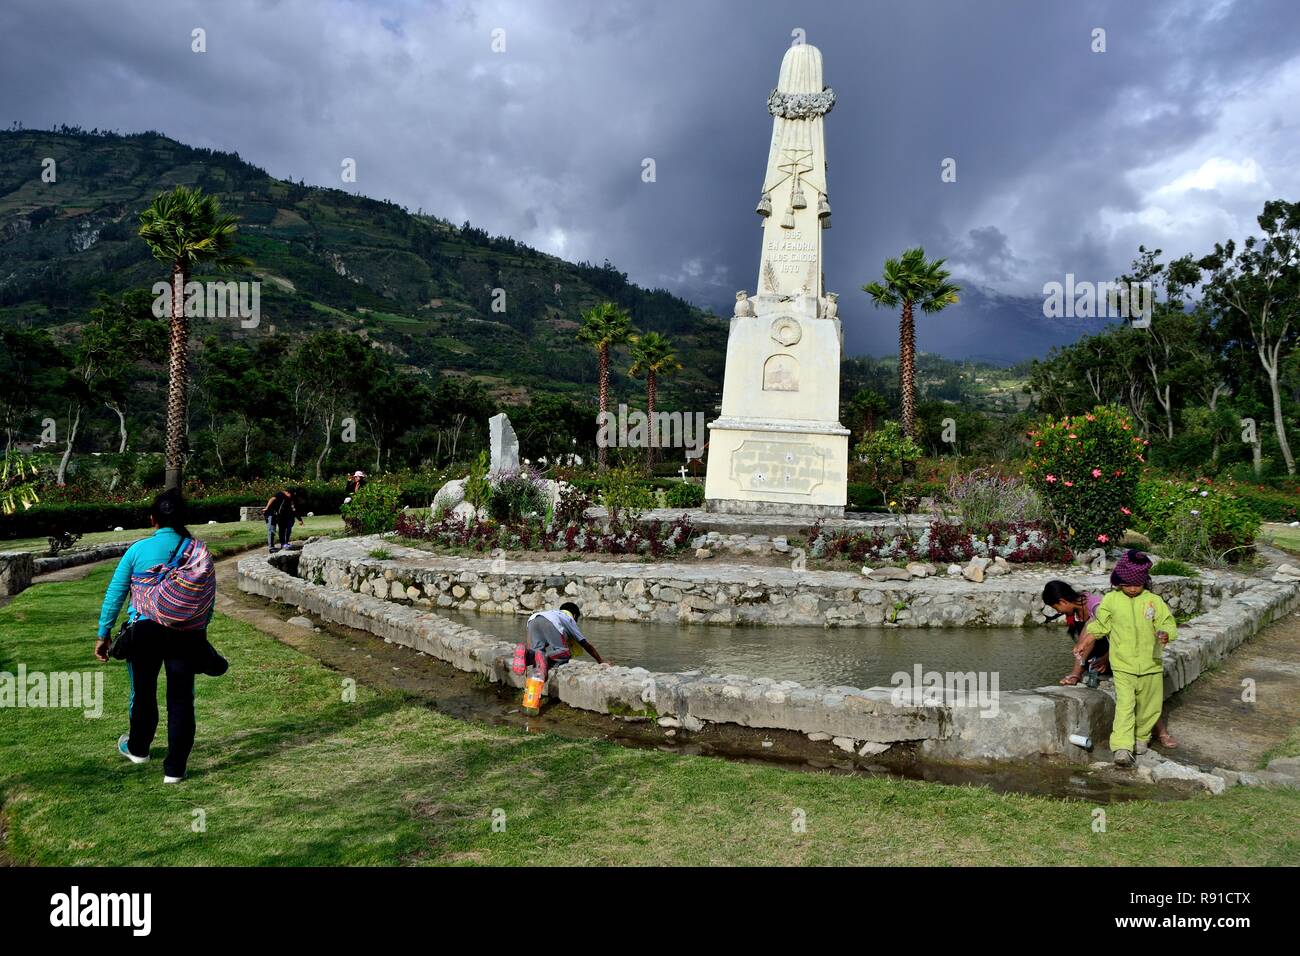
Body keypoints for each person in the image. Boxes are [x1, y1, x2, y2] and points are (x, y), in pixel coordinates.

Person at [94, 490, 223, 784]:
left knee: (142, 692)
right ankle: (175, 770)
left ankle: (138, 749)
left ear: (152, 519)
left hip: (144, 633)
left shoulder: (138, 550)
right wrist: (199, 633)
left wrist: (104, 634)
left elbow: (115, 594)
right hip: (186, 636)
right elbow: (208, 600)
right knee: (181, 700)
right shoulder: (199, 551)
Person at [1078, 550, 1179, 767]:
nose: (1132, 588)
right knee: (1125, 705)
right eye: (1127, 584)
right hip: (1123, 665)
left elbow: (1167, 623)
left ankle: (1142, 738)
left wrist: (1165, 633)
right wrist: (1087, 640)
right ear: (1118, 582)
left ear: (1144, 581)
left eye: (1137, 584)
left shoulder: (1154, 601)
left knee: (1149, 707)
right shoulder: (1111, 601)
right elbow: (1100, 624)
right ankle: (1122, 747)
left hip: (1151, 664)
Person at [516, 602, 607, 681]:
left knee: (536, 653)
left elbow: (532, 643)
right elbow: (585, 644)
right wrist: (600, 661)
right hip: (551, 622)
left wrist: (530, 651)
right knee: (565, 653)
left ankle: (526, 654)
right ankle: (544, 658)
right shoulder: (569, 618)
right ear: (575, 616)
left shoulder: (553, 612)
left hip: (533, 619)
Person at [1041, 580, 1106, 686]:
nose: (1058, 612)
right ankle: (1077, 673)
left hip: (1113, 658)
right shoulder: (1076, 612)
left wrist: (1106, 659)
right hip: (1095, 663)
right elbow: (1081, 645)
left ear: (1062, 602)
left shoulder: (1096, 607)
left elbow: (1121, 636)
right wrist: (1077, 673)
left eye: (1056, 608)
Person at [262, 486, 302, 552]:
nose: (291, 496)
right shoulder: (280, 494)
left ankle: (283, 544)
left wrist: (299, 519)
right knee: (271, 530)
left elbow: (293, 508)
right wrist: (267, 508)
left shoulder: (289, 498)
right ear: (287, 492)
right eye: (290, 494)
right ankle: (271, 548)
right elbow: (272, 499)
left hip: (278, 515)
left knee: (282, 528)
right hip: (270, 513)